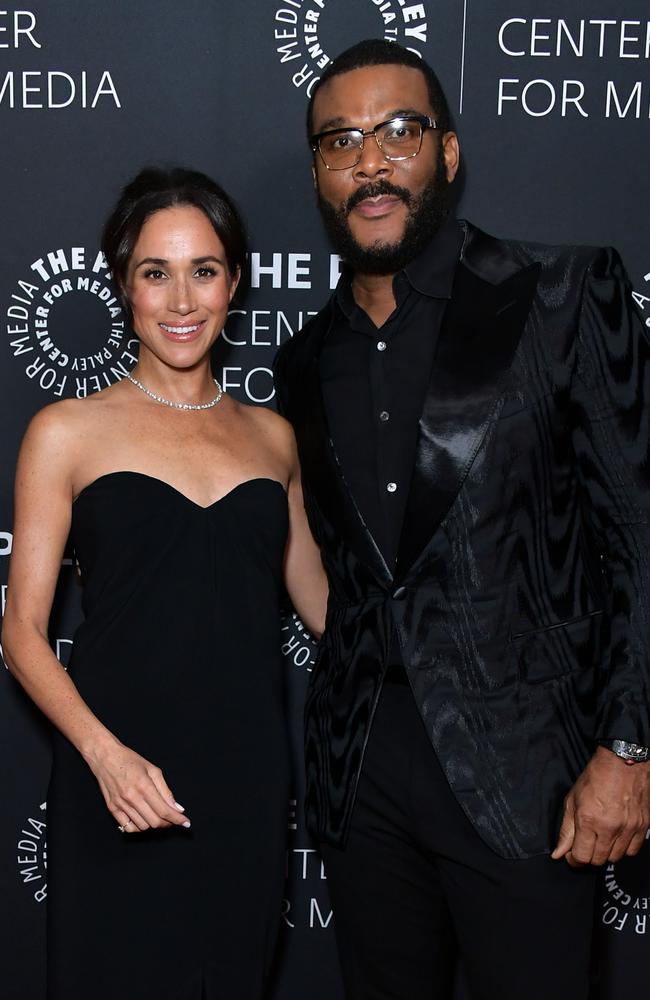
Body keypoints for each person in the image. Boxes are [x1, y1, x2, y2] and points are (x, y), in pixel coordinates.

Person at [273, 38, 650, 1000]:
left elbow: (641, 534)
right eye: (341, 141)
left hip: (532, 775)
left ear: (447, 152)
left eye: (400, 130)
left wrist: (629, 749)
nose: (371, 161)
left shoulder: (564, 295)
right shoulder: (305, 360)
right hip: (362, 779)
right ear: (319, 172)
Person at [2, 166, 327, 1000]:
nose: (182, 300)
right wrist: (104, 757)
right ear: (124, 287)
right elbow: (21, 632)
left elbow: (326, 606)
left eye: (204, 271)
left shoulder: (275, 438)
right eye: (156, 273)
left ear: (235, 283)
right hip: (119, 779)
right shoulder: (66, 432)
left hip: (249, 785)